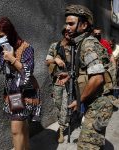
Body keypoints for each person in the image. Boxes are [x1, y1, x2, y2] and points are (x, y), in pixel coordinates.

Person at [64, 4, 116, 149]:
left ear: (84, 25)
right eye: (66, 23)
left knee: (86, 146)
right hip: (94, 102)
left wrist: (79, 101)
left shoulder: (88, 45)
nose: (67, 27)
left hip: (99, 104)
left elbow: (97, 78)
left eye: (71, 24)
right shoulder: (81, 43)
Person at [0, 17, 41, 150]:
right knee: (22, 128)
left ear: (10, 33)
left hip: (25, 91)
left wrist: (12, 59)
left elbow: (28, 71)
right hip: (13, 93)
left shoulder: (26, 47)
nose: (0, 38)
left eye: (2, 36)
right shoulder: (1, 48)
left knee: (16, 130)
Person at [45, 27, 70, 143]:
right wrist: (56, 60)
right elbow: (47, 61)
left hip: (69, 82)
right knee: (58, 105)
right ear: (64, 33)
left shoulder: (75, 47)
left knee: (65, 105)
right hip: (57, 81)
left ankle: (61, 129)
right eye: (68, 32)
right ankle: (65, 119)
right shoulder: (55, 46)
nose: (70, 34)